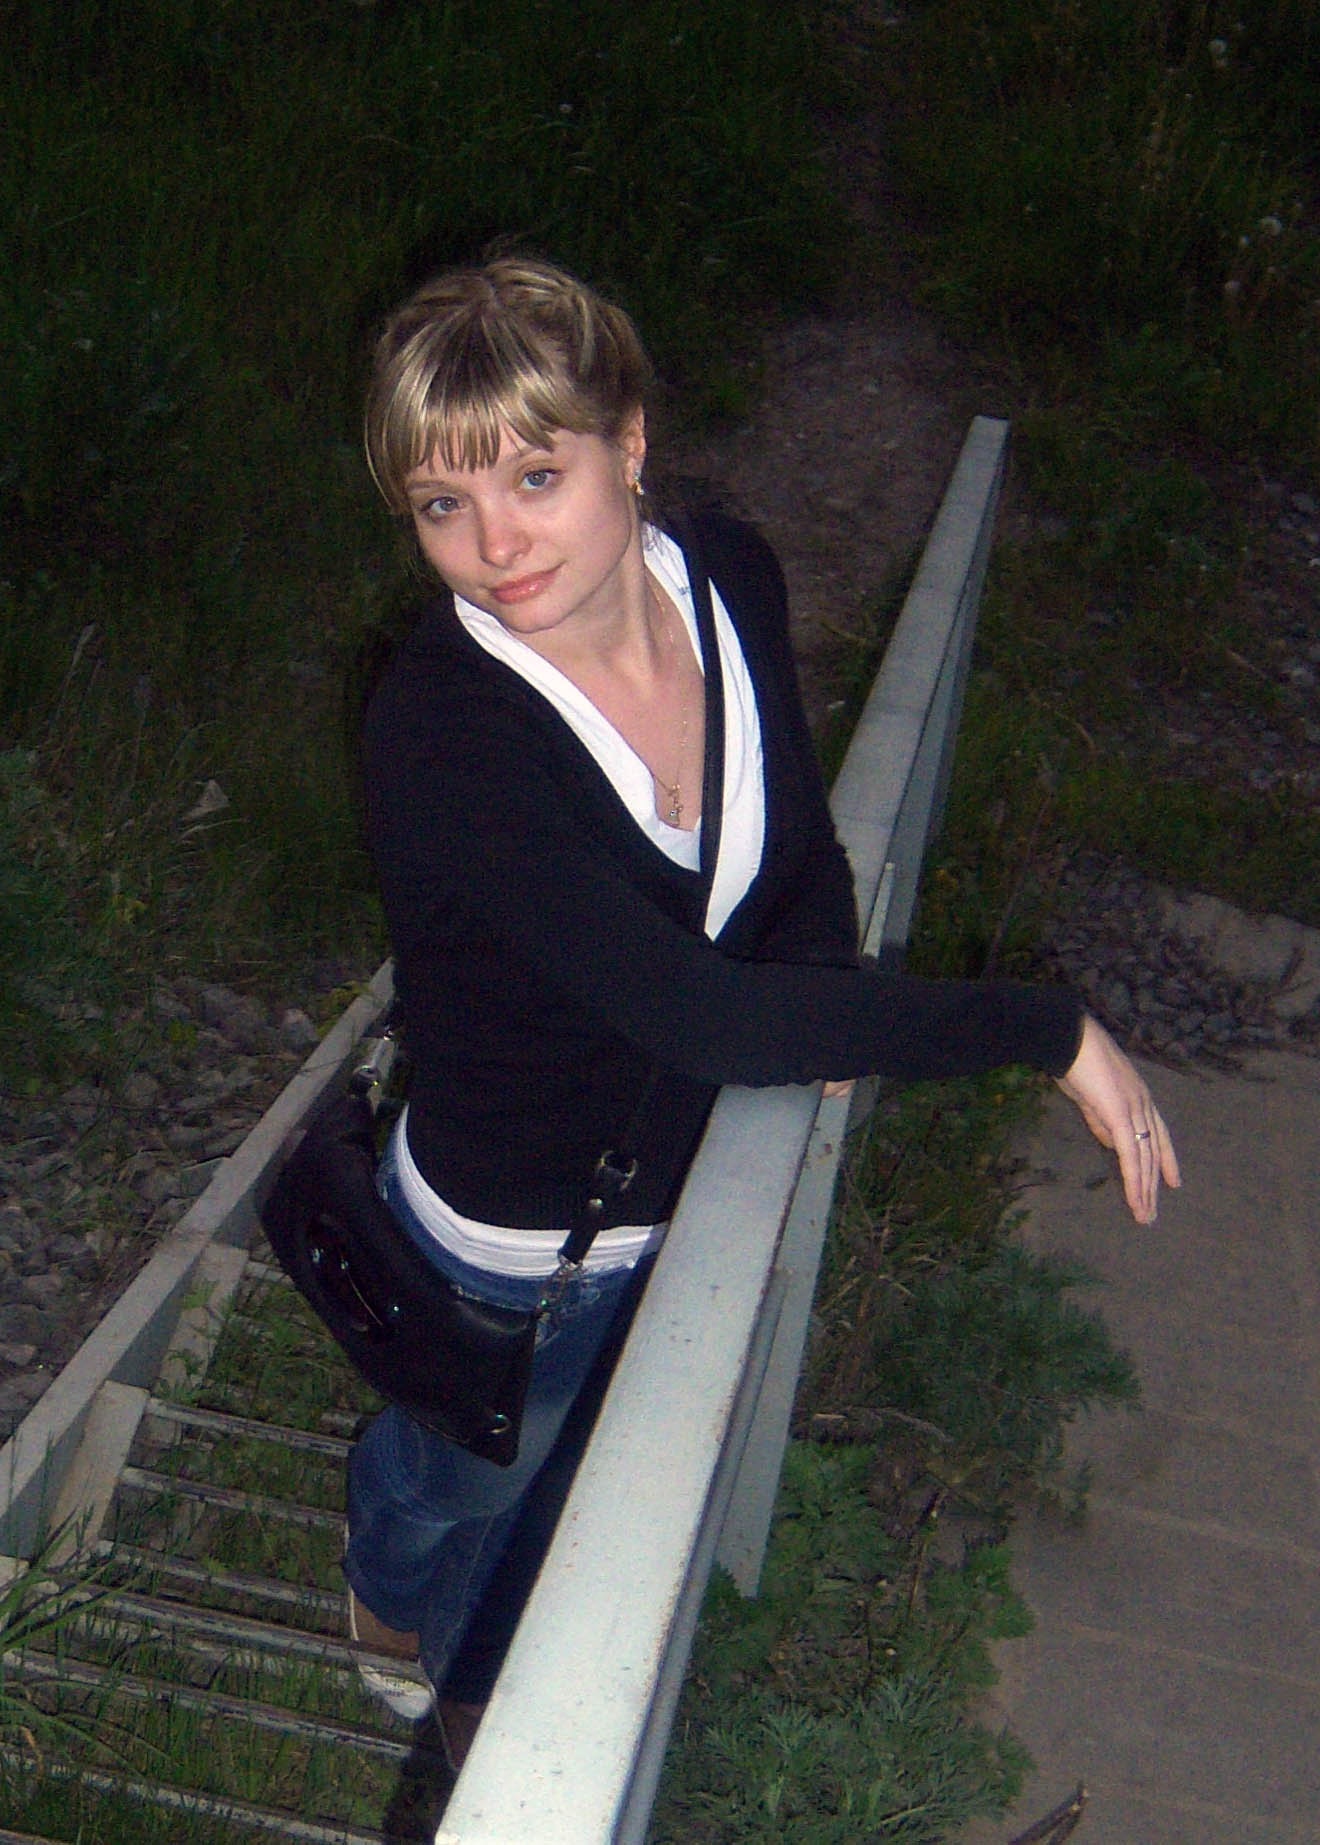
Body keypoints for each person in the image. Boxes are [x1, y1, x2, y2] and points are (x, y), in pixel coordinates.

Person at [343, 255, 1180, 1762]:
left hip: (681, 1181)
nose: (493, 543)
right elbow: (717, 1026)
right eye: (441, 503)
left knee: (560, 1473)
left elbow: (789, 849)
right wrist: (1041, 1030)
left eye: (534, 475)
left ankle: (470, 1675)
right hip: (509, 1229)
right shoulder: (444, 730)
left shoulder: (729, 576)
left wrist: (833, 984)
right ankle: (388, 1573)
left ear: (631, 442)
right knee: (470, 1473)